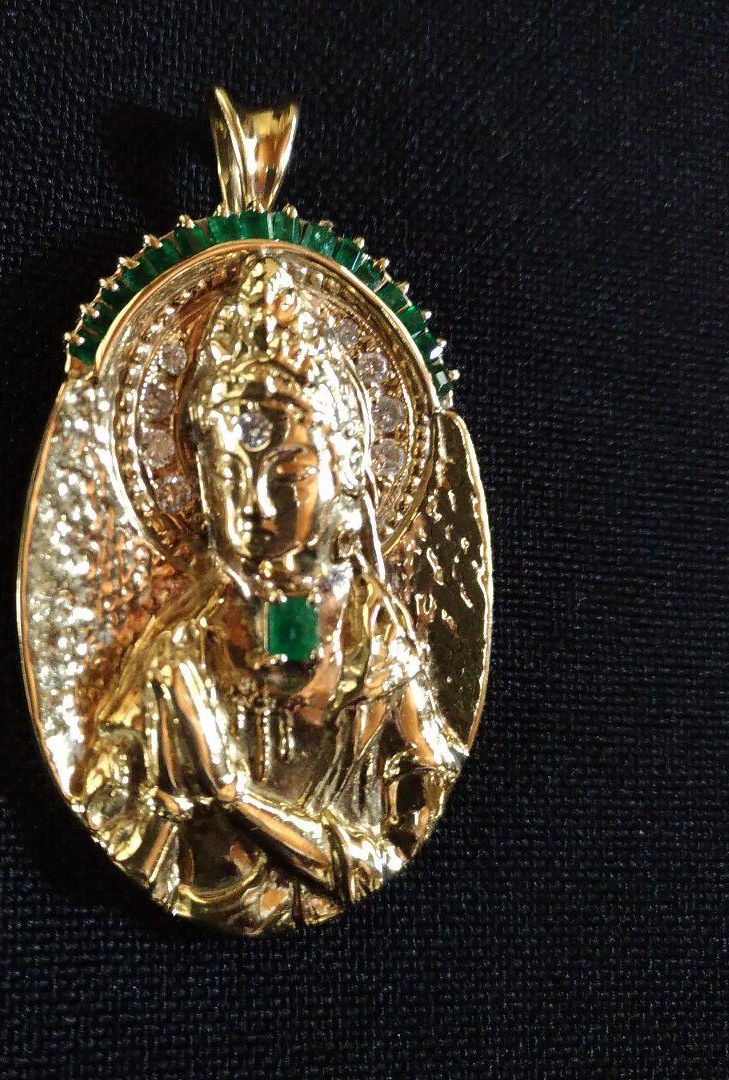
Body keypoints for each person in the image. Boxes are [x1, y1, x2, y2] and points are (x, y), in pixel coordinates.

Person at [79, 255, 467, 933]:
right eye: (230, 475)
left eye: (288, 476)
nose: (257, 506)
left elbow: (397, 842)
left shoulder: (376, 644)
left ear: (343, 471)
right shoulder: (179, 657)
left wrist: (234, 795)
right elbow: (113, 815)